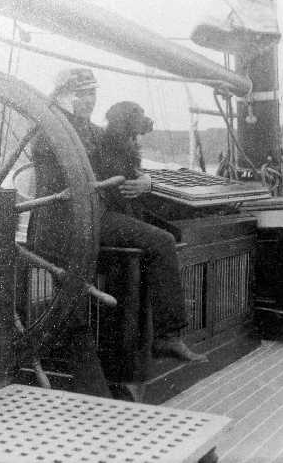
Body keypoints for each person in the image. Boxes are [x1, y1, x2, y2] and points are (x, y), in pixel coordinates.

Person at [42, 67, 207, 363]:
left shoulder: (89, 129)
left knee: (172, 233)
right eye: (82, 94)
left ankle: (146, 339)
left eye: (93, 93)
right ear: (65, 97)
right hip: (74, 221)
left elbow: (120, 152)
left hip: (96, 213)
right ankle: (167, 337)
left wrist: (147, 182)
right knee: (162, 241)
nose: (90, 100)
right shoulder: (51, 130)